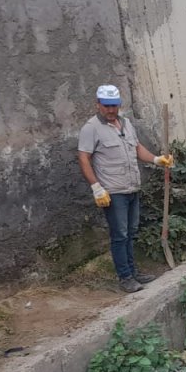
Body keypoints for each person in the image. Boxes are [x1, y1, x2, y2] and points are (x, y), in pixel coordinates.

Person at [77, 84, 173, 293]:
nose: (111, 110)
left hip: (131, 188)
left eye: (115, 106)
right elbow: (84, 158)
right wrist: (96, 187)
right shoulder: (91, 128)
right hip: (113, 192)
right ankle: (125, 277)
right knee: (119, 235)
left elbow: (137, 148)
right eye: (107, 106)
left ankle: (133, 271)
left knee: (131, 232)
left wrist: (157, 159)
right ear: (98, 105)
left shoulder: (126, 123)